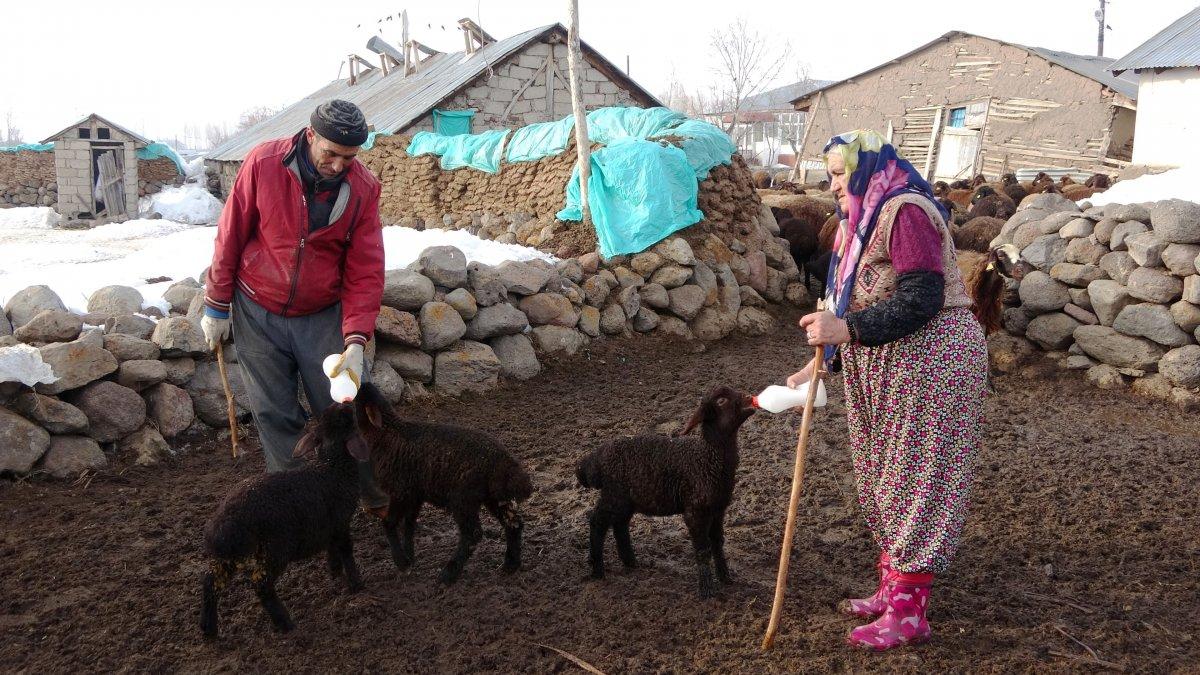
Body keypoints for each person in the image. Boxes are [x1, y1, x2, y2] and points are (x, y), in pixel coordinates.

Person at [787, 130, 987, 650]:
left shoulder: (905, 211)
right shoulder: (860, 222)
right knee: (882, 476)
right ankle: (891, 586)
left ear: (867, 169)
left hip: (930, 362)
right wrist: (822, 362)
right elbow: (852, 302)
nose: (833, 185)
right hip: (883, 363)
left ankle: (909, 612)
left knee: (914, 478)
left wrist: (846, 330)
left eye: (839, 174)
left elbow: (923, 296)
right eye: (830, 176)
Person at [199, 99, 389, 514]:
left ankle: (376, 495)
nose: (338, 165)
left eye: (349, 157)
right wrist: (216, 302)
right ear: (310, 135)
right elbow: (231, 233)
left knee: (345, 407)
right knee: (274, 413)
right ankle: (298, 505)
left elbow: (365, 268)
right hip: (257, 307)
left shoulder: (363, 189)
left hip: (321, 312)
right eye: (331, 153)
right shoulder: (264, 164)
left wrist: (356, 340)